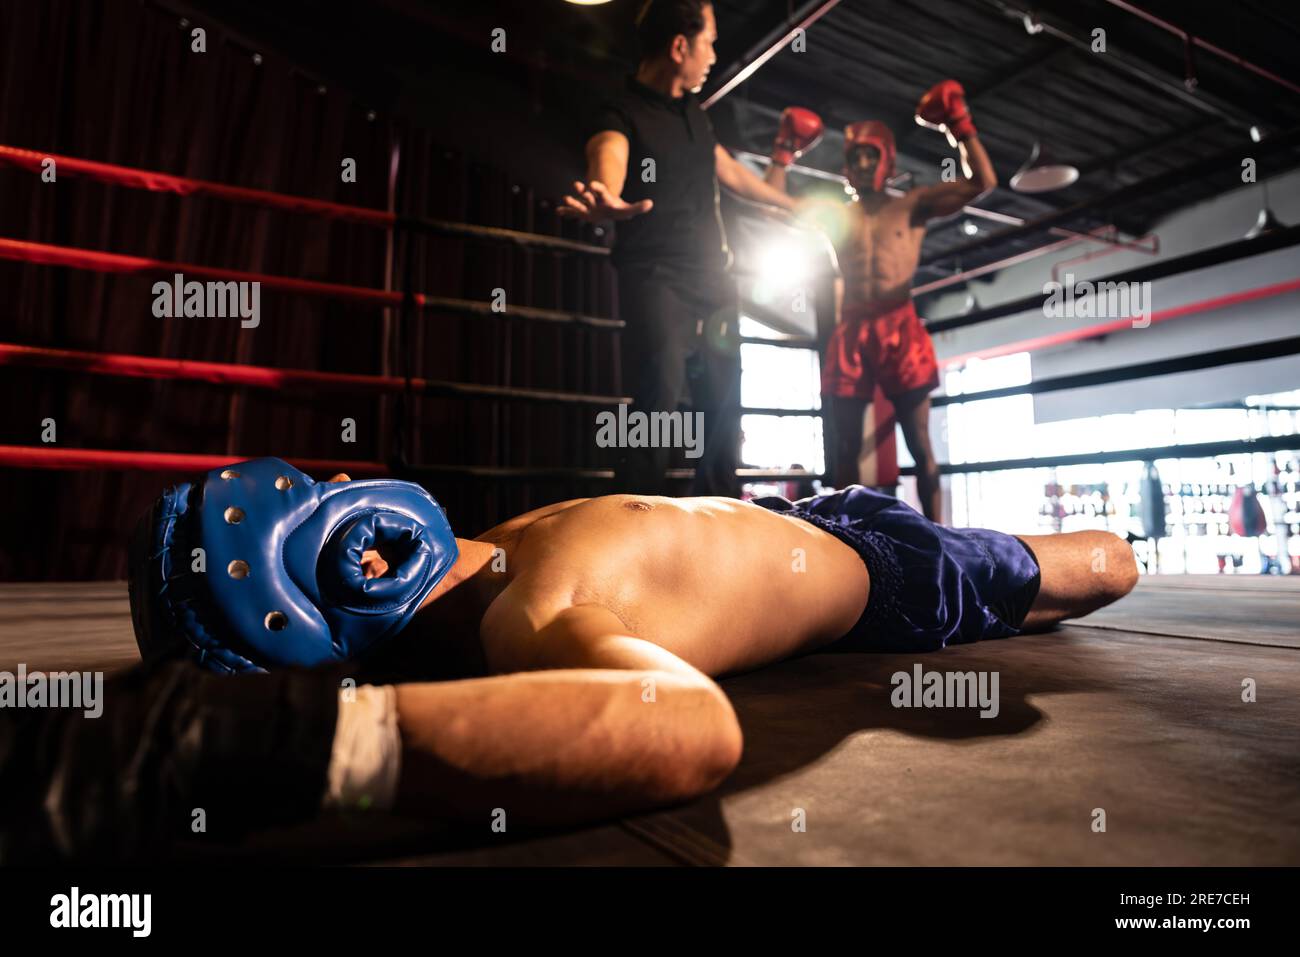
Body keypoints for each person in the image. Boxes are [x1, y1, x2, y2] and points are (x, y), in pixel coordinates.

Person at [1, 458, 1137, 861]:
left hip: (807, 511)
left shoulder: (482, 557)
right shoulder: (531, 630)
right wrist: (257, 747)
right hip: (889, 580)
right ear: (335, 599)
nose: (344, 487)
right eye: (312, 514)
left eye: (316, 482)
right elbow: (686, 729)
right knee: (1104, 564)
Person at [558, 0, 811, 497]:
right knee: (660, 396)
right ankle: (634, 514)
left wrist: (790, 204)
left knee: (723, 401)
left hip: (714, 280)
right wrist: (603, 191)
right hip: (657, 277)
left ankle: (718, 512)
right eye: (709, 41)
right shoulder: (620, 111)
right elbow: (608, 153)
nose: (714, 54)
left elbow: (730, 170)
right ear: (680, 46)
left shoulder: (694, 113)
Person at [768, 80, 997, 521]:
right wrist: (783, 151)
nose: (864, 163)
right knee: (845, 449)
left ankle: (938, 534)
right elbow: (774, 203)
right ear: (847, 166)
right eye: (856, 156)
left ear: (887, 161)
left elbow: (983, 182)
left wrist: (959, 126)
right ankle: (843, 537)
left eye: (872, 155)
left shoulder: (913, 205)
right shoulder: (835, 214)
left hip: (900, 325)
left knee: (921, 443)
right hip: (852, 328)